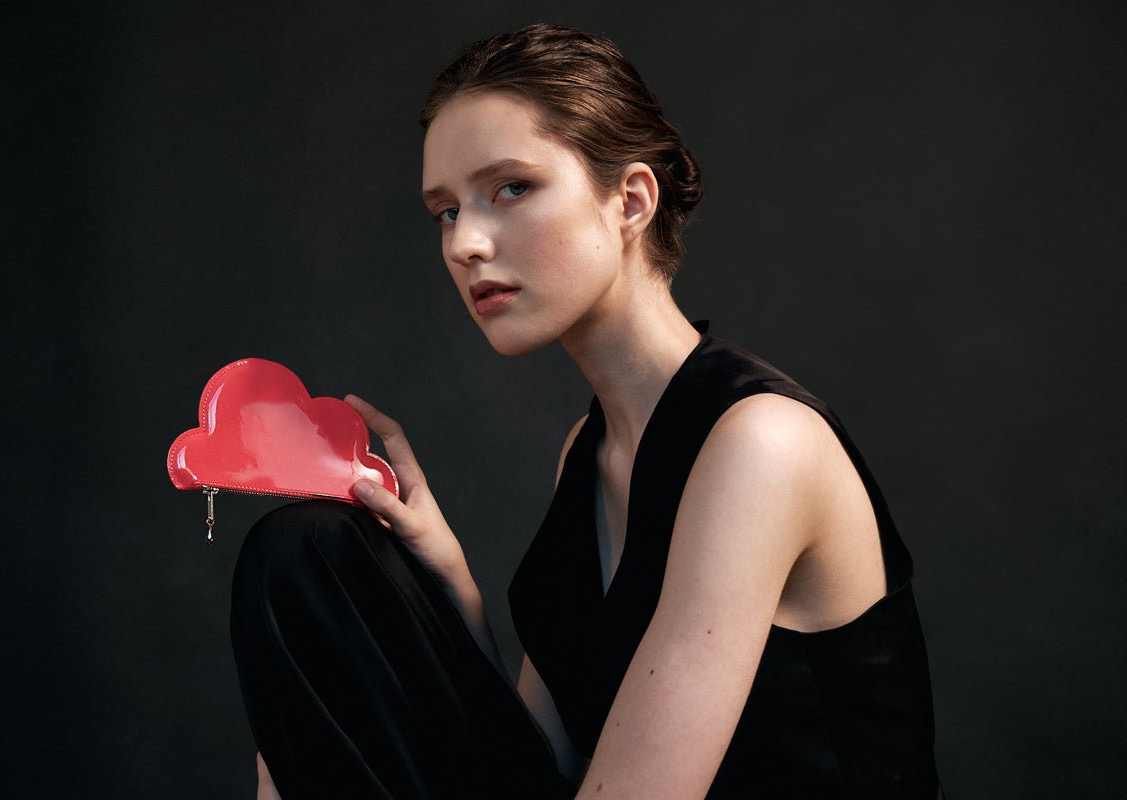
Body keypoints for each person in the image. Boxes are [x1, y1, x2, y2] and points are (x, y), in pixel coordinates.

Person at [231, 23, 943, 799]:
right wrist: (449, 588)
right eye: (447, 210)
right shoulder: (590, 449)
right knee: (312, 558)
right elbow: (541, 766)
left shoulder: (761, 445)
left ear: (630, 201)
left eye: (511, 188)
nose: (465, 243)